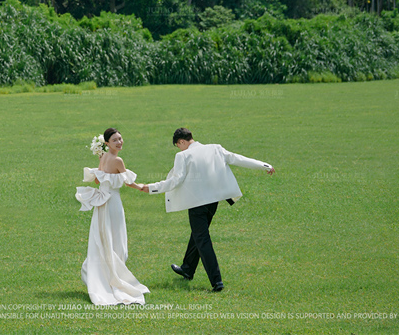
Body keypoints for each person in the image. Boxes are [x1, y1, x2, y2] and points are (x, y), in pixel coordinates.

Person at [138, 127, 275, 292]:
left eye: (178, 145)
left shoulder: (183, 155)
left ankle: (217, 281)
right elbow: (237, 158)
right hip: (213, 202)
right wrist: (264, 165)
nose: (179, 148)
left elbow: (176, 181)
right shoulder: (215, 148)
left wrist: (150, 188)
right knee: (198, 234)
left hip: (197, 205)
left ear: (181, 142)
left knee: (202, 239)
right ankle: (187, 268)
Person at [75, 127, 150, 305]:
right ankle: (115, 277)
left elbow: (97, 180)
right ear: (107, 143)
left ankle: (104, 274)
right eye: (115, 140)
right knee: (117, 239)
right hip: (113, 203)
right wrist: (142, 187)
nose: (120, 142)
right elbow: (128, 182)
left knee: (103, 237)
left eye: (121, 139)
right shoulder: (117, 160)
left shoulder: (102, 157)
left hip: (102, 204)